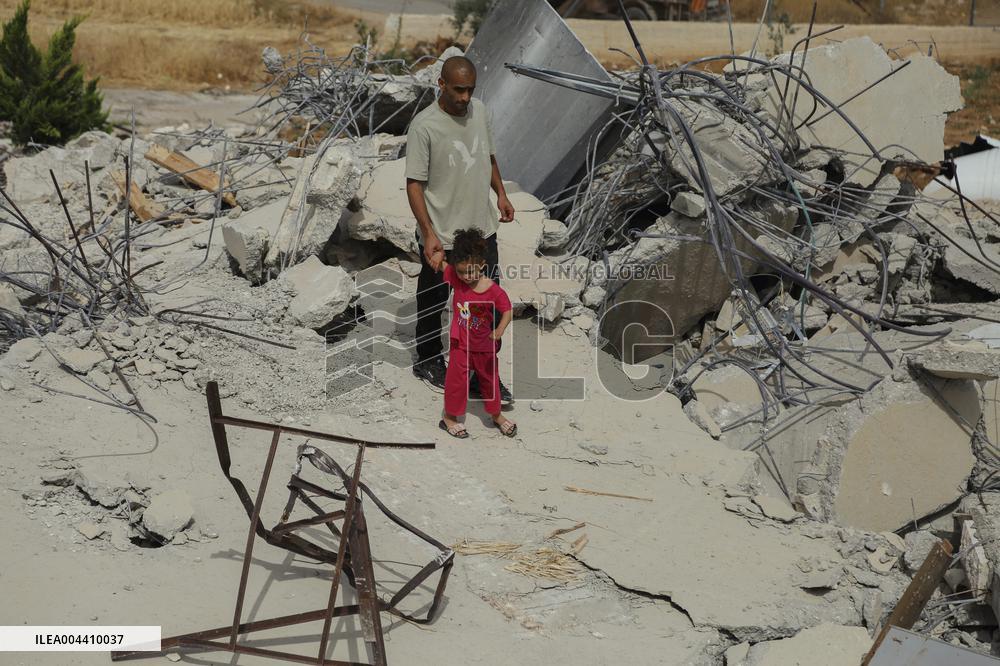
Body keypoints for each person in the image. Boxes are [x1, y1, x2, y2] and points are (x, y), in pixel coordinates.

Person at [405, 55, 515, 404]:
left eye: (470, 90)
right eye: (458, 90)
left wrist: (501, 194)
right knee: (434, 299)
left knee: (485, 304)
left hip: (482, 231)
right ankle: (428, 359)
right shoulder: (425, 126)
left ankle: (480, 374)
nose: (465, 98)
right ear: (441, 84)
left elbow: (489, 157)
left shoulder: (480, 112)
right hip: (445, 234)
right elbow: (414, 185)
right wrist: (429, 234)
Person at [435, 229, 517, 439]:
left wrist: (499, 330)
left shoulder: (493, 290)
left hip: (484, 346)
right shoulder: (457, 278)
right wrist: (435, 254)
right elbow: (440, 265)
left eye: (471, 272)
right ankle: (449, 417)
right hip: (460, 343)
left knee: (489, 381)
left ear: (482, 265)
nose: (466, 277)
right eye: (461, 272)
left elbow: (507, 310)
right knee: (456, 381)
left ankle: (496, 415)